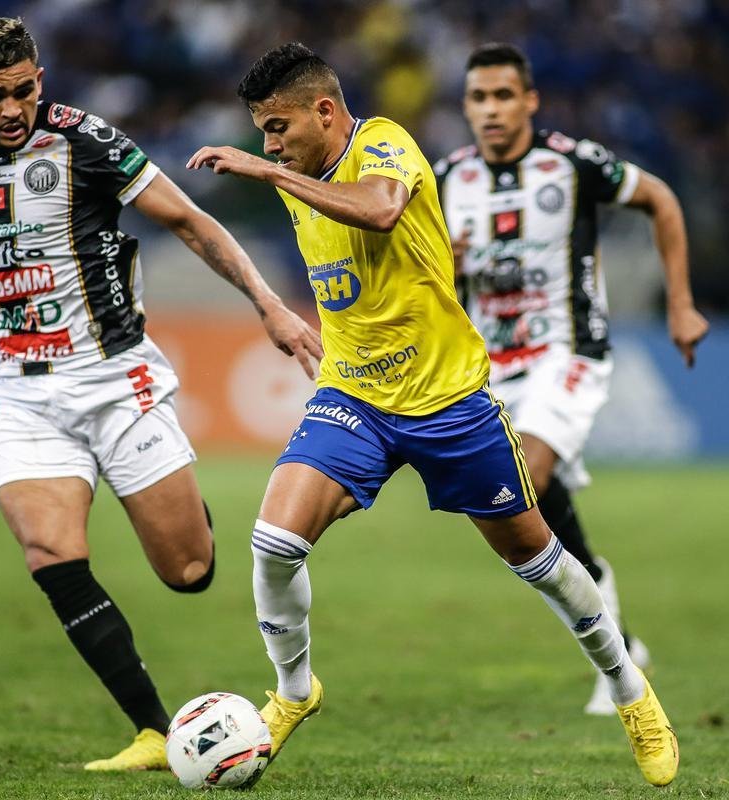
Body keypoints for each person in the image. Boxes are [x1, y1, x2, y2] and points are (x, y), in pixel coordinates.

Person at [0, 18, 320, 773]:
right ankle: (154, 731)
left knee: (188, 570)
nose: (13, 108)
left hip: (116, 380)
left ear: (40, 80)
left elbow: (188, 222)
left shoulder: (86, 142)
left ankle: (180, 507)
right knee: (50, 551)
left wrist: (268, 305)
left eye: (25, 90)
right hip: (22, 397)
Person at [187, 42, 680, 786]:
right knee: (273, 542)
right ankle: (292, 692)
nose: (270, 146)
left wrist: (270, 173)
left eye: (278, 128)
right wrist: (271, 302)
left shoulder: (383, 141)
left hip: (449, 400)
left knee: (540, 562)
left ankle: (628, 689)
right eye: (262, 134)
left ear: (325, 111)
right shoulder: (296, 174)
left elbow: (383, 210)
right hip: (355, 395)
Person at [433, 43, 710, 715]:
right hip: (483, 366)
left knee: (524, 479)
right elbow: (415, 272)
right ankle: (618, 632)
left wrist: (679, 304)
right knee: (511, 506)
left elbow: (661, 199)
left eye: (504, 95)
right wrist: (444, 263)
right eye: (478, 97)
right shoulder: (444, 178)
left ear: (529, 101)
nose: (491, 109)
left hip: (566, 352)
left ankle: (614, 660)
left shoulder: (573, 162)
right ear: (465, 106)